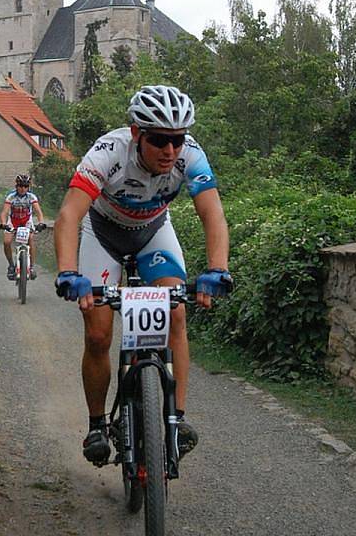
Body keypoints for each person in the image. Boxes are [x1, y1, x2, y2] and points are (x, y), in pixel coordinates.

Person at [54, 85, 232, 464]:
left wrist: (218, 269)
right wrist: (69, 272)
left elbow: (213, 214)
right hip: (102, 235)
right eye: (159, 140)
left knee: (176, 314)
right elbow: (69, 215)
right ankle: (97, 425)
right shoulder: (107, 153)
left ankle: (175, 420)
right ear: (136, 133)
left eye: (178, 140)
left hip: (153, 234)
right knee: (99, 332)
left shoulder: (190, 156)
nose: (170, 151)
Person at [0, 174, 46, 280]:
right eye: (20, 186)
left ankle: (32, 267)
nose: (23, 188)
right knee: (6, 242)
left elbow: (38, 211)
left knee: (31, 239)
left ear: (28, 187)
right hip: (13, 221)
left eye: (25, 186)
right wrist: (3, 223)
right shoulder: (11, 196)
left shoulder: (31, 197)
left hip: (26, 221)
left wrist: (41, 223)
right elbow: (4, 212)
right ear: (16, 186)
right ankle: (11, 265)